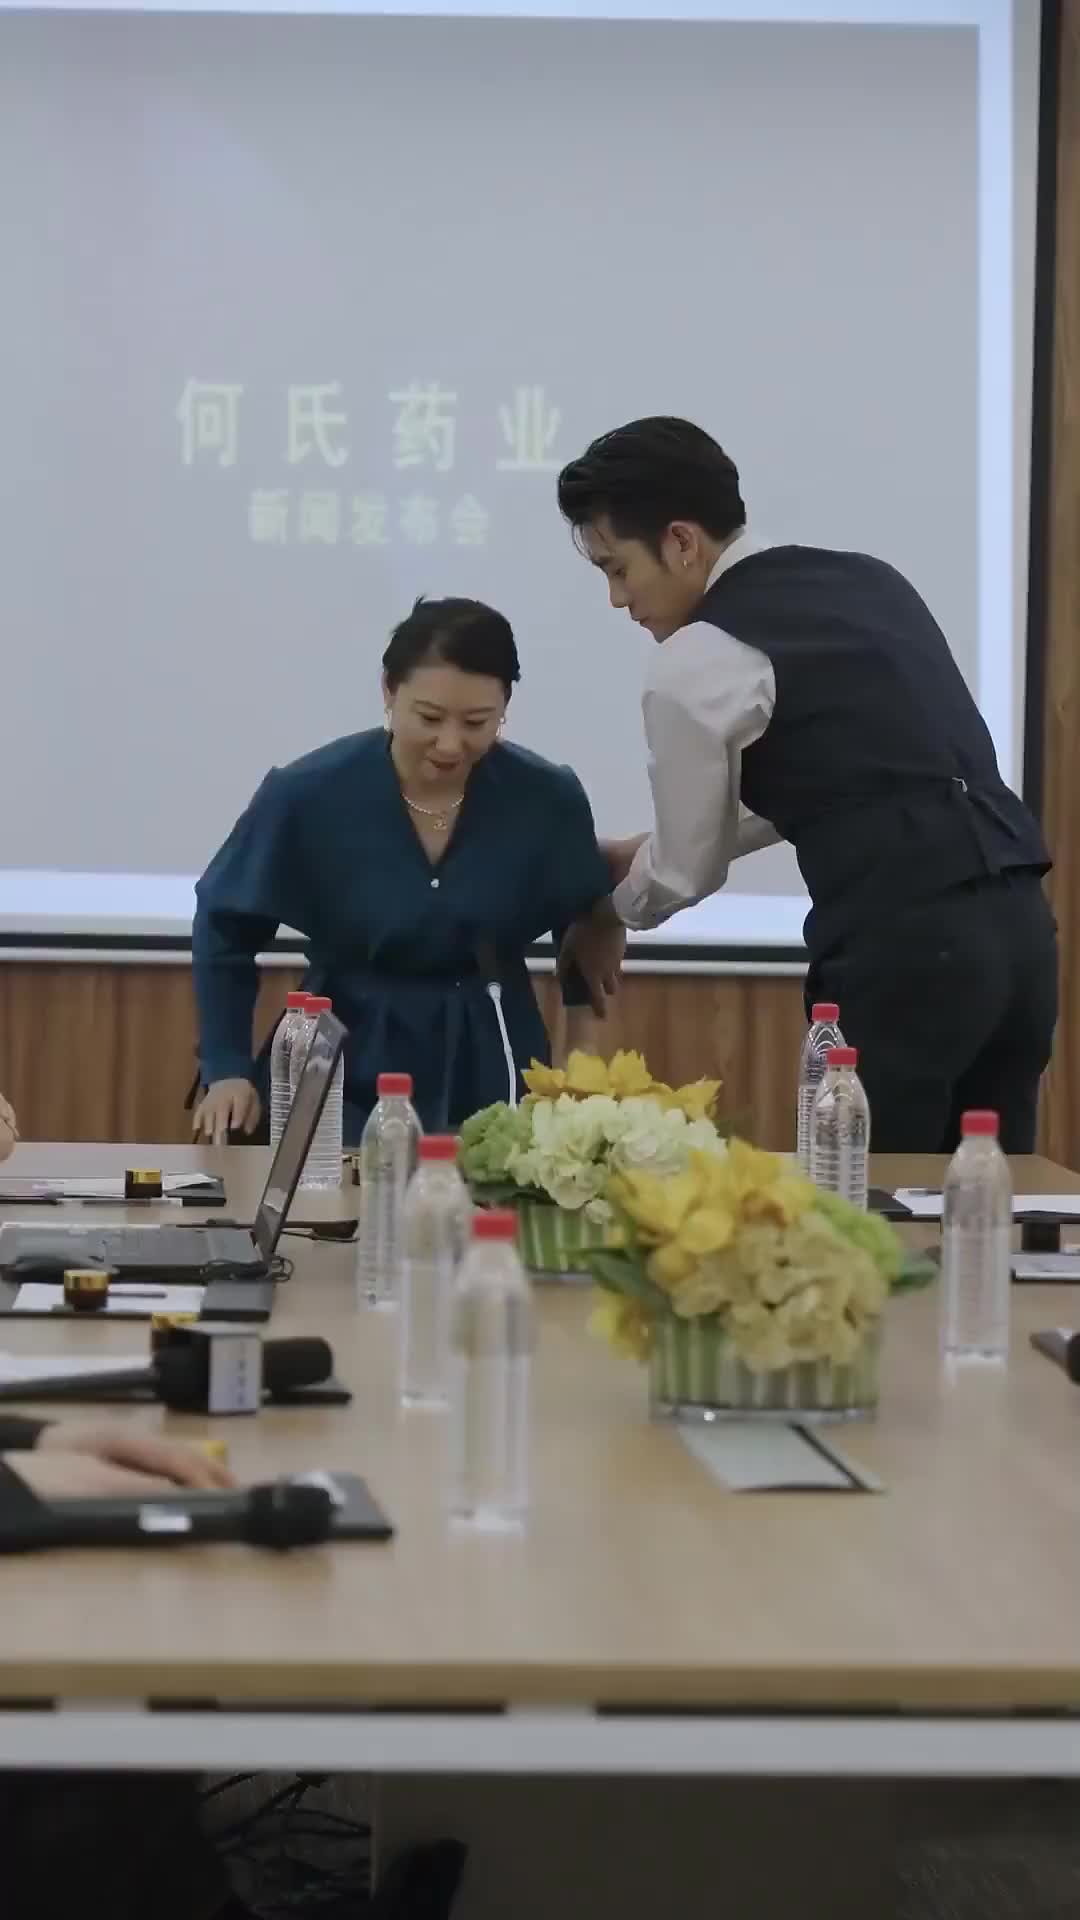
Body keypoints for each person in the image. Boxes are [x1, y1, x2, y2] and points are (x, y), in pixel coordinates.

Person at [555, 416, 1058, 1153]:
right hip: (1022, 933)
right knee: (988, 1191)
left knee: (861, 1197)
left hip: (903, 950)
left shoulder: (696, 658)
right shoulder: (872, 580)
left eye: (617, 568)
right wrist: (655, 848)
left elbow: (688, 872)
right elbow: (852, 781)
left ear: (682, 541)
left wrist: (610, 906)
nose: (615, 599)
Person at [191, 597, 612, 1144]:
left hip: (492, 1053)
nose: (451, 744)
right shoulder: (308, 793)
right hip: (341, 1056)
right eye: (430, 718)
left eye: (478, 723)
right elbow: (225, 923)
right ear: (389, 691)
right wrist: (226, 1066)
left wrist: (579, 1069)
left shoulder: (547, 798)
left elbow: (584, 918)